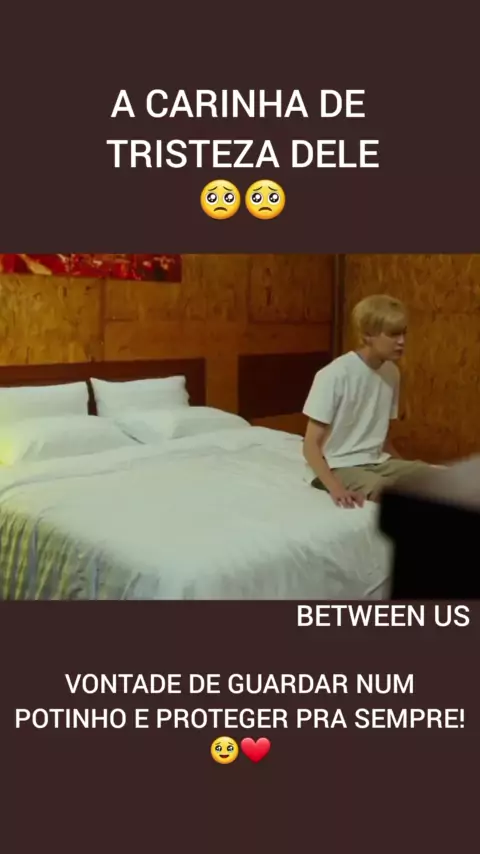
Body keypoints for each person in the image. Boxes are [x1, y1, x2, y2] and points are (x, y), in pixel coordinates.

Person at [302, 294, 430, 507]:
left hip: (376, 461)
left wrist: (407, 470)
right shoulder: (335, 374)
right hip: (337, 465)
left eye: (403, 333)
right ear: (368, 335)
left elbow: (382, 437)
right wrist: (336, 489)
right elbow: (310, 446)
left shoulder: (392, 373)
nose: (402, 341)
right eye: (393, 334)